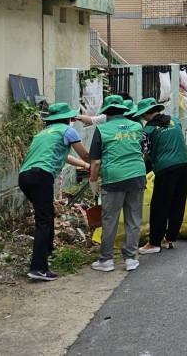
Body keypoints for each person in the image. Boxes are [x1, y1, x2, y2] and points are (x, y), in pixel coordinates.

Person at [18, 103, 90, 281]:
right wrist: (95, 163)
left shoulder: (43, 134)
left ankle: (48, 251)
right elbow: (85, 155)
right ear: (67, 118)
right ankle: (37, 268)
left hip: (25, 176)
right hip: (41, 176)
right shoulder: (67, 131)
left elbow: (65, 156)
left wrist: (85, 166)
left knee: (46, 215)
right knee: (43, 220)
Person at [89, 95, 147, 272]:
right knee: (133, 218)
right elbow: (142, 151)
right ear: (123, 110)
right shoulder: (137, 126)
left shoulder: (102, 129)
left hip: (113, 179)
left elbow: (96, 162)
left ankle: (106, 260)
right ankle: (130, 258)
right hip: (137, 175)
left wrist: (93, 180)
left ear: (106, 112)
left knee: (110, 219)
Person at [135, 98, 187, 255]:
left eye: (143, 115)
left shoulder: (148, 130)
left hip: (166, 168)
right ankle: (170, 238)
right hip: (184, 163)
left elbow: (144, 154)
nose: (143, 118)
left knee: (160, 205)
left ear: (147, 114)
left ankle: (154, 243)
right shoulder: (174, 120)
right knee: (177, 202)